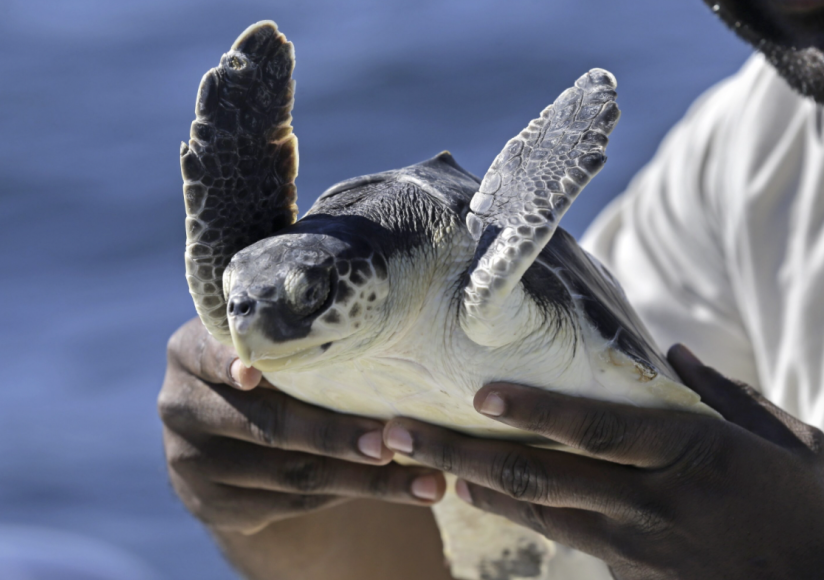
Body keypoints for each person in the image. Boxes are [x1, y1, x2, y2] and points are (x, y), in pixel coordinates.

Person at [158, 0, 824, 577]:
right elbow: (479, 560)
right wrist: (271, 487)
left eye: (306, 294)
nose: (255, 324)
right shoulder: (750, 151)